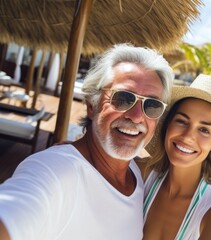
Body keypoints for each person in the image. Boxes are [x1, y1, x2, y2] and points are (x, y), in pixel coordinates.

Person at [0, 43, 174, 240]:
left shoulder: (138, 175)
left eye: (152, 105)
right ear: (92, 105)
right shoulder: (56, 171)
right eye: (124, 98)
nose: (136, 116)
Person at [140, 74, 211, 239]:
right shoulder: (141, 172)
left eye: (204, 130)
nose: (188, 136)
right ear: (168, 124)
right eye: (181, 121)